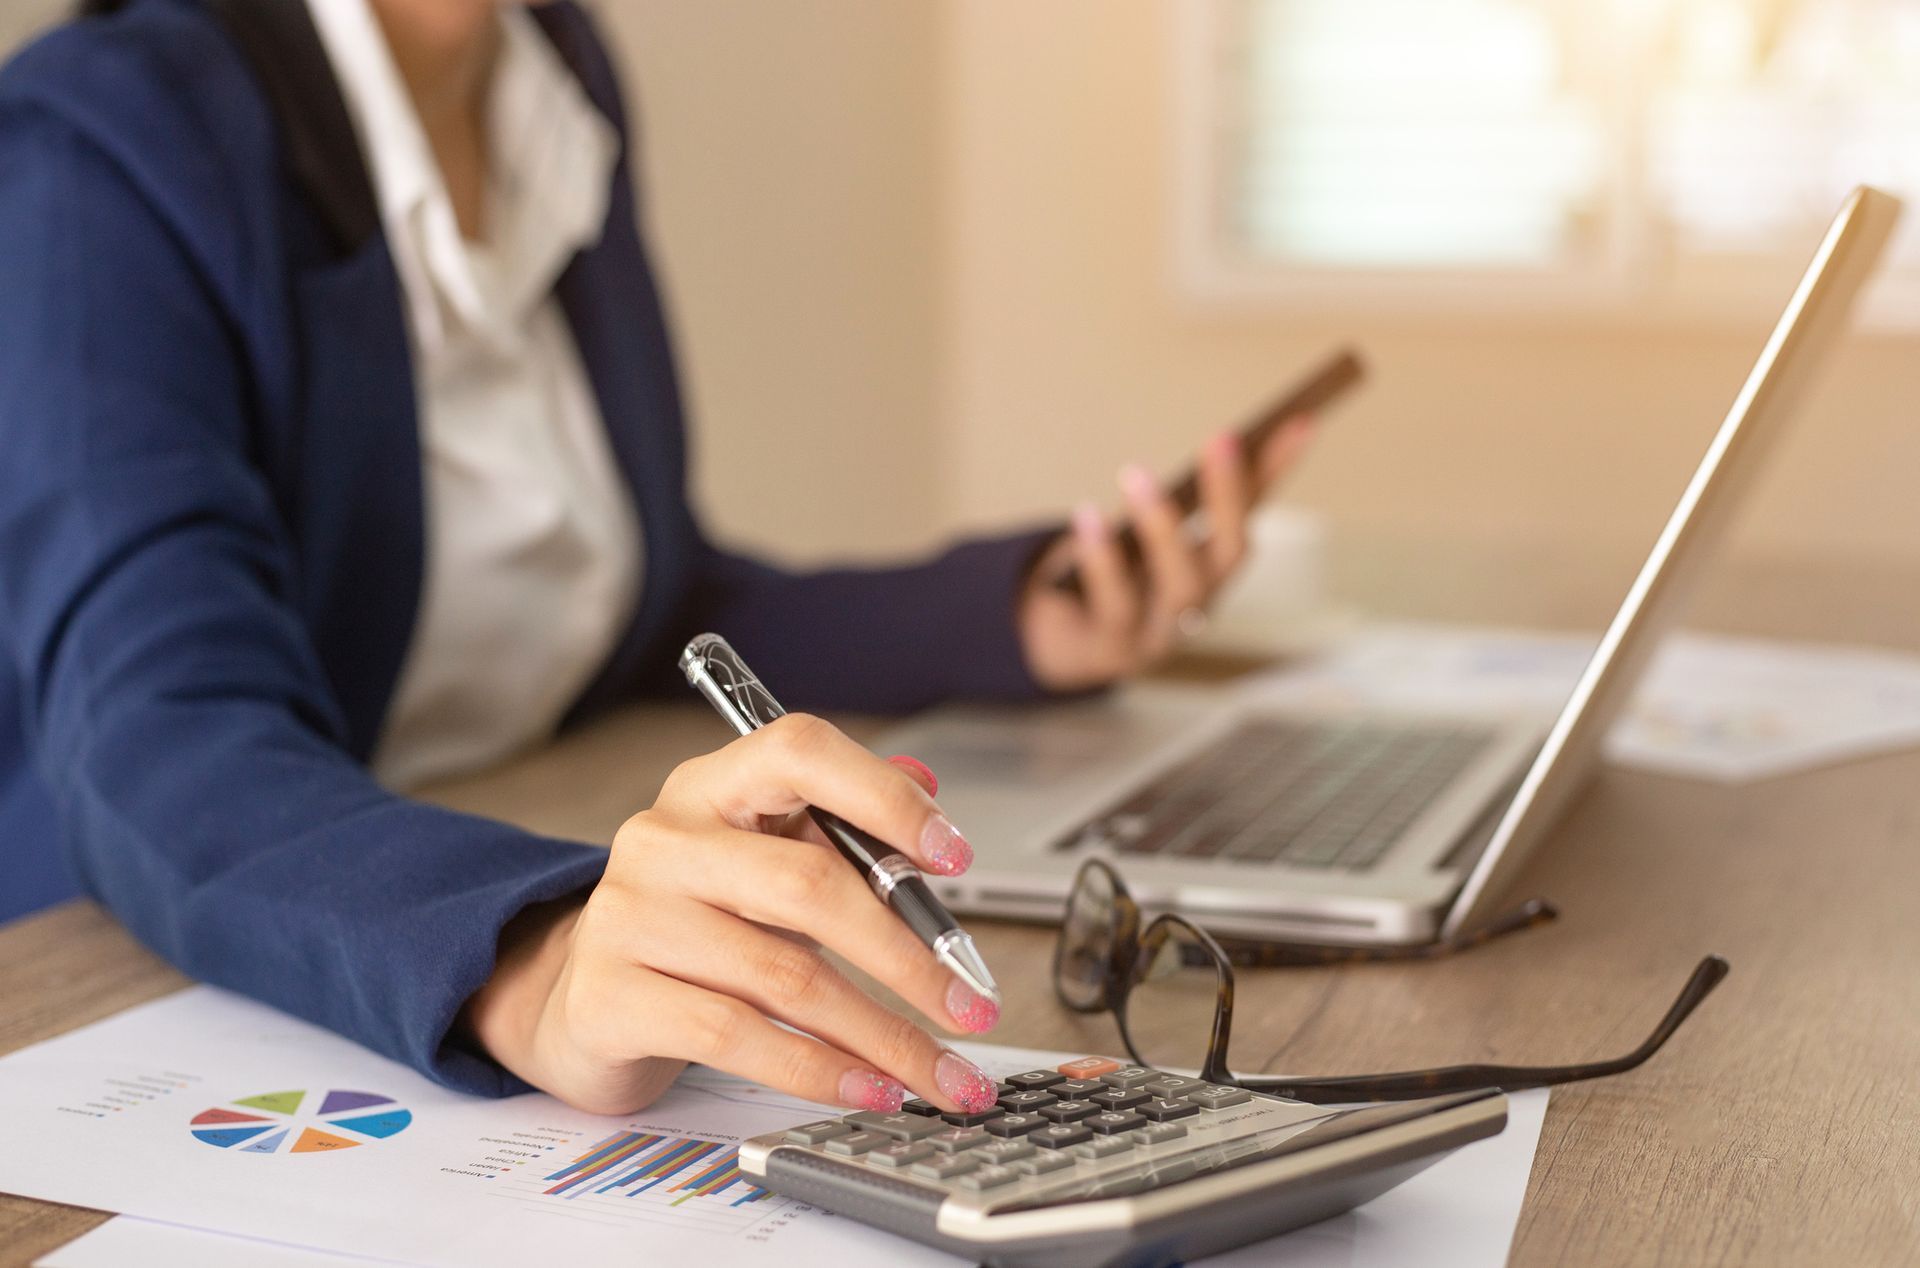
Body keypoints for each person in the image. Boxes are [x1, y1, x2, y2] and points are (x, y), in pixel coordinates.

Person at [0, 0, 1313, 1117]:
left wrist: (1018, 620)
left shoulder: (559, 77)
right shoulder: (96, 140)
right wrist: (528, 955)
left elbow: (643, 603)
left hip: (455, 848)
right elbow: (161, 727)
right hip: (124, 974)